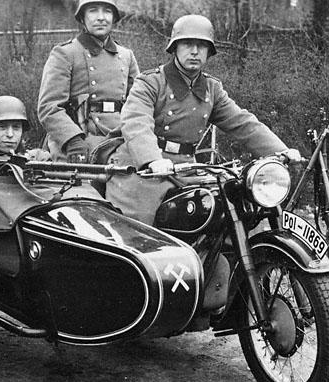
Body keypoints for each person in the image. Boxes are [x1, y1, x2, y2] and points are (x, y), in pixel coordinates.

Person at [105, 14, 301, 225]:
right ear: (174, 48)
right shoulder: (150, 83)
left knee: (224, 216)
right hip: (141, 171)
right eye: (187, 44)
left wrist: (280, 151)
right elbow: (136, 123)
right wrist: (152, 160)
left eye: (202, 46)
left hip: (186, 170)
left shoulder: (211, 88)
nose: (195, 51)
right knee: (140, 228)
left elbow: (243, 123)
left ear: (209, 52)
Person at [37, 0, 139, 162]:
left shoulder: (126, 56)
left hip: (119, 138)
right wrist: (73, 139)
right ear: (82, 18)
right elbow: (49, 107)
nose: (101, 17)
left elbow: (138, 105)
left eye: (107, 11)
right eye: (93, 10)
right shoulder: (65, 54)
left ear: (114, 18)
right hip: (78, 140)